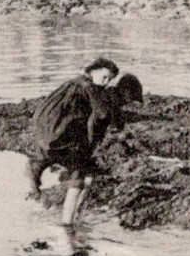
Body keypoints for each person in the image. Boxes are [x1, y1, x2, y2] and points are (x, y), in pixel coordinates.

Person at [25, 58, 144, 226]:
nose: (106, 82)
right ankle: (67, 225)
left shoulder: (82, 86)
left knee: (86, 176)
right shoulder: (91, 89)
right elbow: (98, 119)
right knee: (79, 178)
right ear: (93, 71)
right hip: (62, 138)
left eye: (109, 79)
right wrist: (90, 147)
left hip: (48, 133)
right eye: (104, 77)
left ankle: (74, 215)